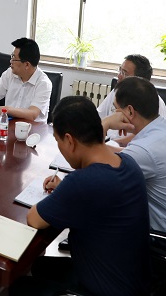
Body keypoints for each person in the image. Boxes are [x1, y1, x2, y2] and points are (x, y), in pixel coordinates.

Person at [10, 96, 150, 296]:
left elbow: (34, 219)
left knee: (19, 287)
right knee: (40, 265)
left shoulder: (82, 182)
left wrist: (68, 190)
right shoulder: (127, 162)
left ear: (69, 140)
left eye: (58, 141)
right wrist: (65, 191)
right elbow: (99, 196)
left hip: (104, 289)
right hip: (133, 278)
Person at [100, 76, 166, 232]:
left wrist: (105, 124)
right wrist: (106, 148)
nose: (114, 114)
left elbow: (99, 179)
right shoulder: (160, 129)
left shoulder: (144, 150)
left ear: (130, 111)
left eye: (116, 109)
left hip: (156, 237)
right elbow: (128, 155)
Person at [97, 54, 166, 145]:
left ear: (139, 80)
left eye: (124, 73)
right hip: (109, 142)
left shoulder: (154, 102)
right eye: (120, 70)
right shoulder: (116, 92)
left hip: (130, 146)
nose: (119, 76)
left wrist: (113, 143)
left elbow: (148, 135)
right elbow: (98, 115)